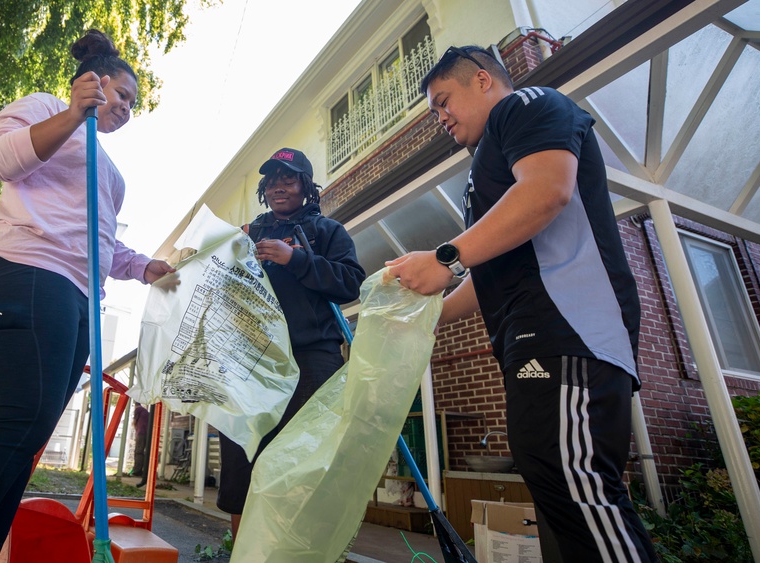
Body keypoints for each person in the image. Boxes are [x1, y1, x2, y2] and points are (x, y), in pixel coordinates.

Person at [0, 30, 174, 562]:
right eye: (123, 94)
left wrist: (144, 267)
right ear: (95, 80)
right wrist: (74, 113)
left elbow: (98, 238)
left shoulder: (109, 171)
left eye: (134, 105)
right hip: (26, 268)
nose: (127, 107)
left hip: (77, 296)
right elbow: (1, 159)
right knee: (15, 421)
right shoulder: (46, 108)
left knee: (26, 437)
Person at [386, 46, 658, 562]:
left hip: (570, 335)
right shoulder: (485, 169)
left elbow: (548, 191)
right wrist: (429, 315)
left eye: (444, 101)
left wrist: (446, 256)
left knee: (574, 480)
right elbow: (490, 267)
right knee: (549, 472)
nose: (440, 117)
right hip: (532, 353)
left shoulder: (530, 105)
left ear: (484, 81)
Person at [216, 148, 366, 541]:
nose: (279, 186)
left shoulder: (326, 231)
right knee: (242, 458)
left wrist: (295, 260)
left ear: (306, 187)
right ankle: (244, 551)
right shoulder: (247, 234)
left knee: (307, 460)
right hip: (252, 361)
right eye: (273, 180)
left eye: (290, 178)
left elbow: (351, 283)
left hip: (311, 358)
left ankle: (307, 550)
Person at [132, 402, 149, 479]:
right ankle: (144, 470)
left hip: (141, 432)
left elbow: (134, 422)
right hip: (147, 433)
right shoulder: (145, 411)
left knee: (138, 451)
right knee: (145, 451)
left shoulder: (138, 409)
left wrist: (135, 429)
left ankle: (137, 471)